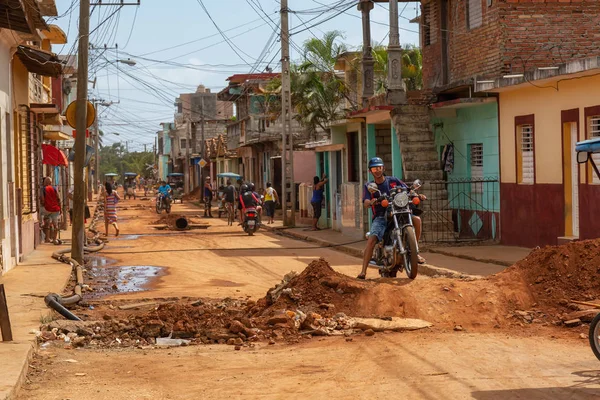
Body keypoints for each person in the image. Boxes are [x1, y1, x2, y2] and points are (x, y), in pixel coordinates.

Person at [357, 157, 427, 279]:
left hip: (399, 211)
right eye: (374, 169)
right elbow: (366, 201)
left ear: (383, 168)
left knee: (417, 220)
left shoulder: (393, 180)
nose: (377, 171)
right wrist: (371, 202)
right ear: (370, 171)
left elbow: (408, 190)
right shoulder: (369, 186)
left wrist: (417, 195)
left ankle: (415, 252)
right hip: (381, 216)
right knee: (372, 239)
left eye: (379, 168)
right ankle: (363, 271)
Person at [41, 177, 61, 244]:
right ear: (51, 182)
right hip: (55, 209)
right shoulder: (55, 188)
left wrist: (43, 204)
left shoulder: (44, 189)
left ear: (46, 182)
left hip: (47, 209)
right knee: (56, 225)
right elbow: (58, 198)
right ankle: (55, 239)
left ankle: (47, 238)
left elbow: (42, 199)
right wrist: (59, 207)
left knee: (47, 223)